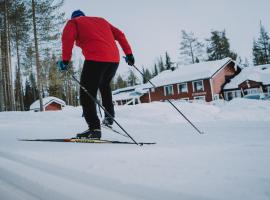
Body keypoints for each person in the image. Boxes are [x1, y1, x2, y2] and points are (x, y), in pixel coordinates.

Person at [58, 10, 135, 139]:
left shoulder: (74, 22)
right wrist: (129, 55)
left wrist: (65, 60)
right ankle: (109, 118)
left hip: (95, 59)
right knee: (104, 85)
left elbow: (68, 39)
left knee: (87, 93)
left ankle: (94, 129)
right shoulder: (101, 21)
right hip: (113, 60)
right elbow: (120, 35)